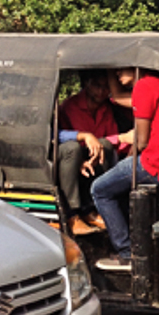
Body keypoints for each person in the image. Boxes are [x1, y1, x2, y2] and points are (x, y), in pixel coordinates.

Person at [92, 68, 159, 270]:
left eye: (122, 68)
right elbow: (118, 98)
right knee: (119, 178)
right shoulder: (157, 85)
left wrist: (125, 162)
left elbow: (142, 141)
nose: (118, 73)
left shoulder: (144, 86)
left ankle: (126, 252)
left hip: (156, 161)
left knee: (99, 190)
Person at [58, 70, 133, 235]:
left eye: (106, 87)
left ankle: (97, 208)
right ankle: (72, 214)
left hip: (93, 157)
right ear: (87, 84)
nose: (101, 92)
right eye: (97, 86)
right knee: (74, 149)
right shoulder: (71, 106)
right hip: (73, 156)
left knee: (105, 145)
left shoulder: (107, 109)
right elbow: (69, 141)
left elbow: (109, 141)